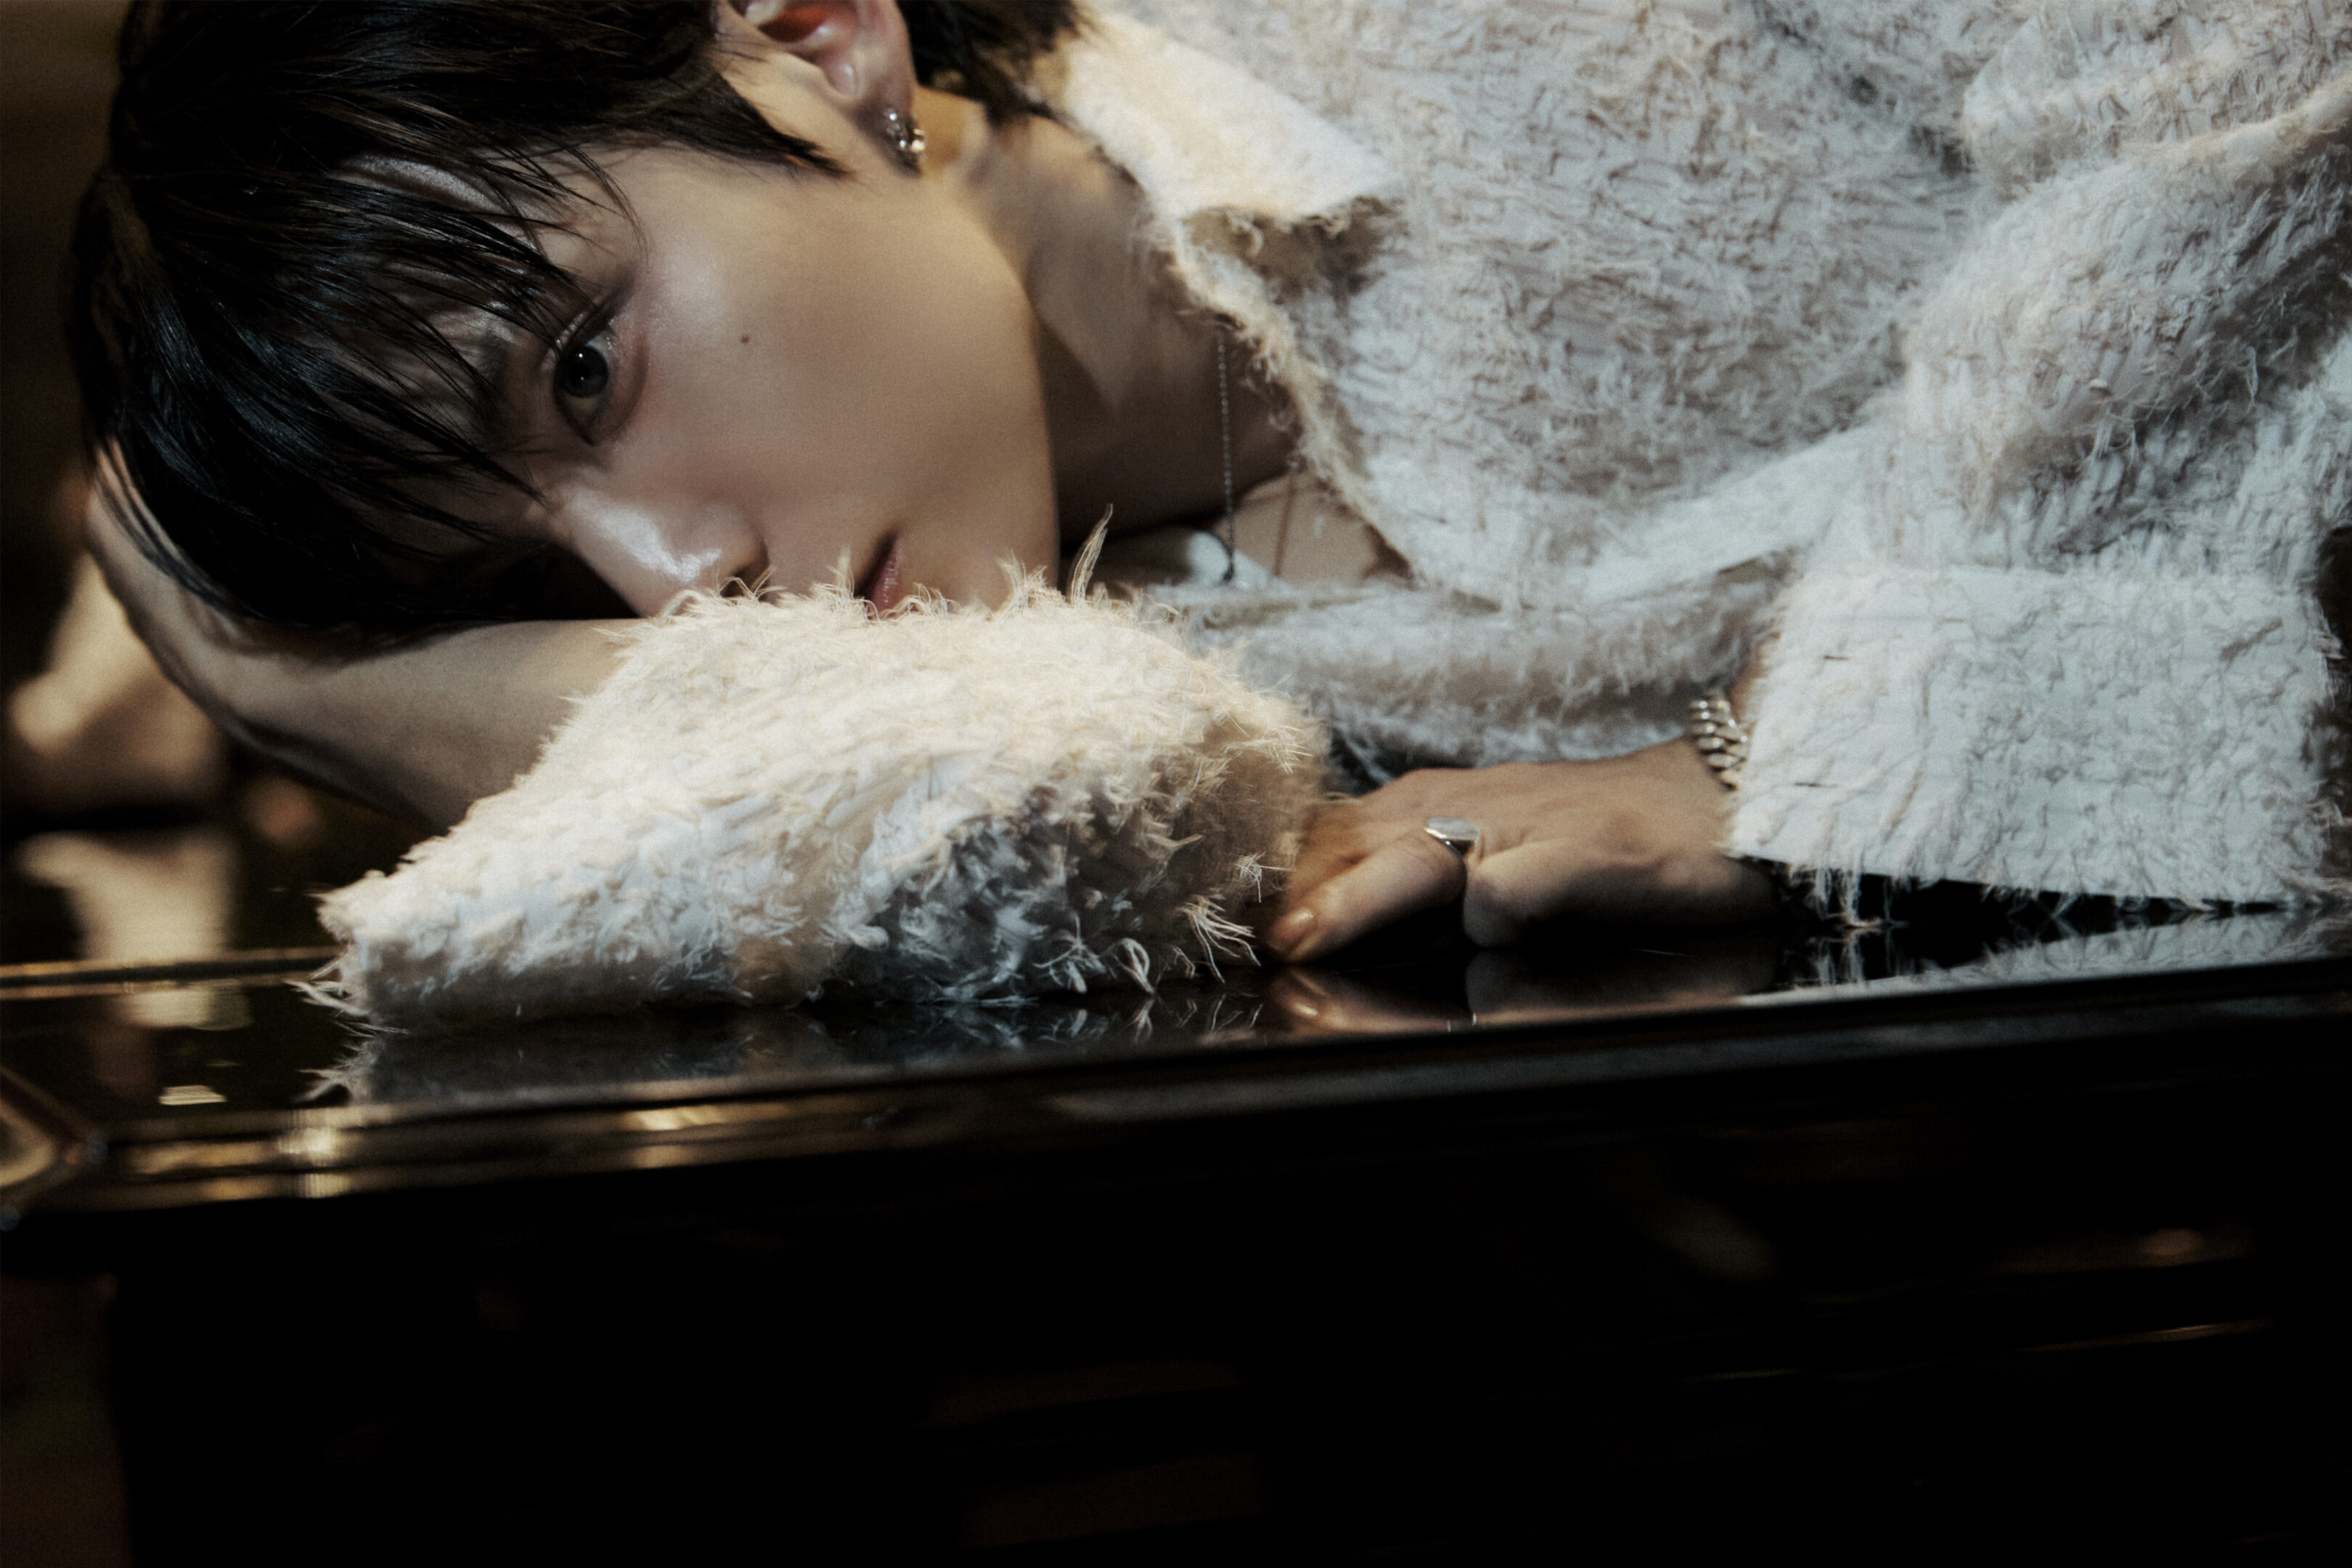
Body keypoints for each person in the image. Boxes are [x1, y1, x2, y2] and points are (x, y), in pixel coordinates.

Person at [68, 0, 2352, 1003]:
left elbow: (2243, 64)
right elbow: (957, 857)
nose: (677, 583)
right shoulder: (1116, 696)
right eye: (523, 573)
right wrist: (336, 702)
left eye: (584, 366)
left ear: (813, 37)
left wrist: (1796, 762)